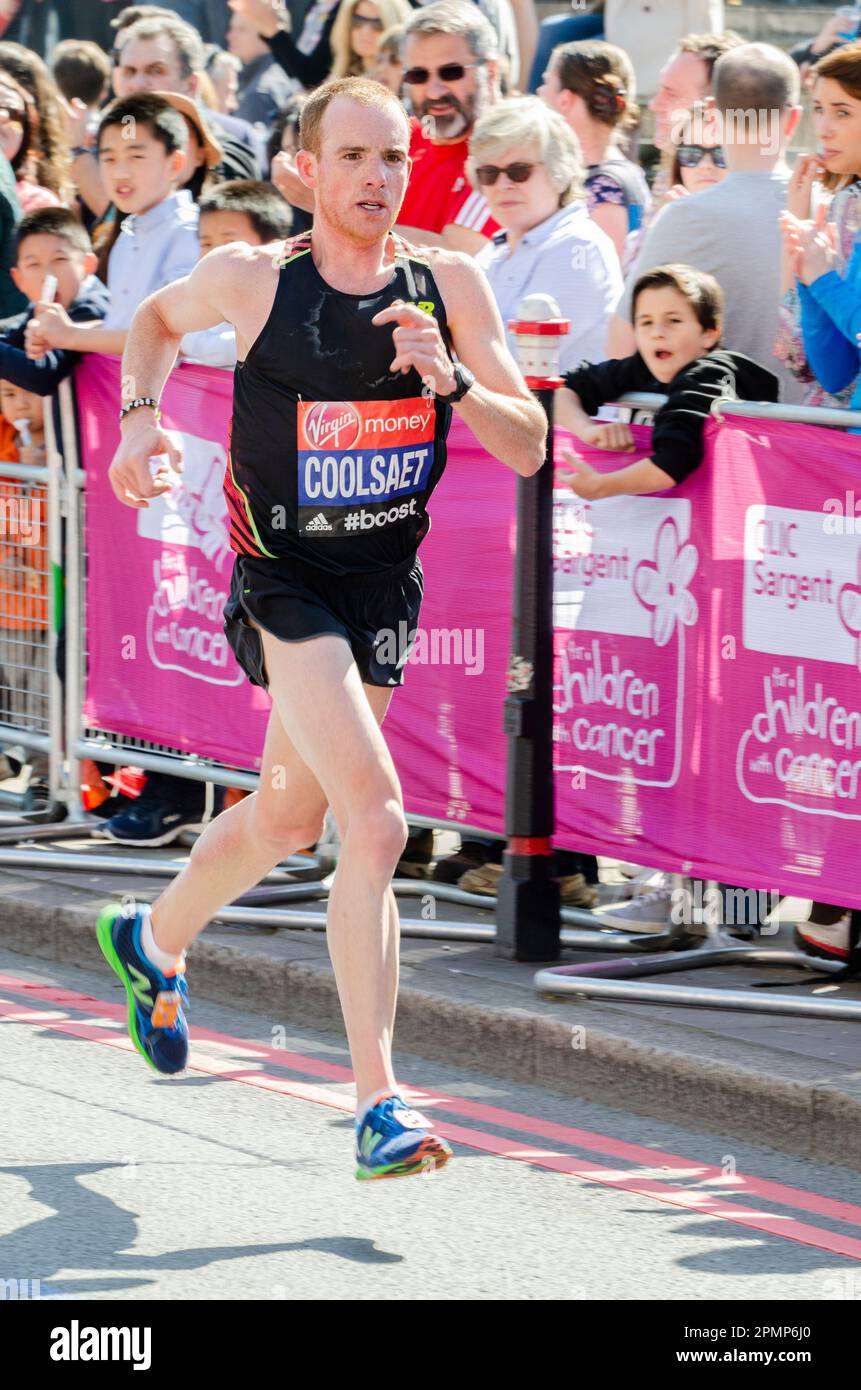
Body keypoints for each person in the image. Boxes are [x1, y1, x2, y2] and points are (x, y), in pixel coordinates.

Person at [98, 75, 545, 1179]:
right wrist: (137, 426)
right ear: (306, 168)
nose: (375, 179)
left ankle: (151, 942)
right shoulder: (255, 280)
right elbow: (153, 325)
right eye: (351, 157)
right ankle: (380, 1101)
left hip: (381, 584)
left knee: (292, 819)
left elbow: (531, 442)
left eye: (391, 157)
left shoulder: (451, 281)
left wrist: (452, 386)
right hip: (282, 580)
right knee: (378, 819)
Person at [606, 42, 804, 405]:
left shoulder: (685, 216)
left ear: (712, 114)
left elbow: (622, 342)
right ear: (793, 120)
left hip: (716, 439)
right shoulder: (835, 210)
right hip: (821, 444)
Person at [557, 262, 778, 500]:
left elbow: (675, 460)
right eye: (646, 322)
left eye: (673, 320)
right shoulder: (641, 366)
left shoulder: (712, 374)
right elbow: (559, 391)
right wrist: (588, 430)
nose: (657, 332)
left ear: (709, 333)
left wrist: (603, 486)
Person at [471, 96, 622, 371]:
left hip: (561, 412)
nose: (502, 184)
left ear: (559, 171)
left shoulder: (580, 246)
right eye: (489, 173)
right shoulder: (494, 250)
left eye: (519, 171)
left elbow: (515, 359)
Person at [538, 40, 649, 263]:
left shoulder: (605, 190)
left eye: (546, 82)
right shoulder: (612, 177)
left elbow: (605, 278)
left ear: (565, 99)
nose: (539, 91)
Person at [181, 177, 293, 368]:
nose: (215, 254)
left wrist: (183, 341)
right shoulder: (199, 298)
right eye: (206, 243)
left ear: (273, 250)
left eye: (230, 244)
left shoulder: (289, 304)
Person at [227, 4, 299, 126]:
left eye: (241, 29)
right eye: (231, 28)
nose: (229, 36)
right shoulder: (286, 74)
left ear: (267, 35)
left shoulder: (257, 94)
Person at [328, 0, 411, 80]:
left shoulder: (403, 83)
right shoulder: (337, 77)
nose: (366, 31)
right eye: (357, 20)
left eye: (378, 24)